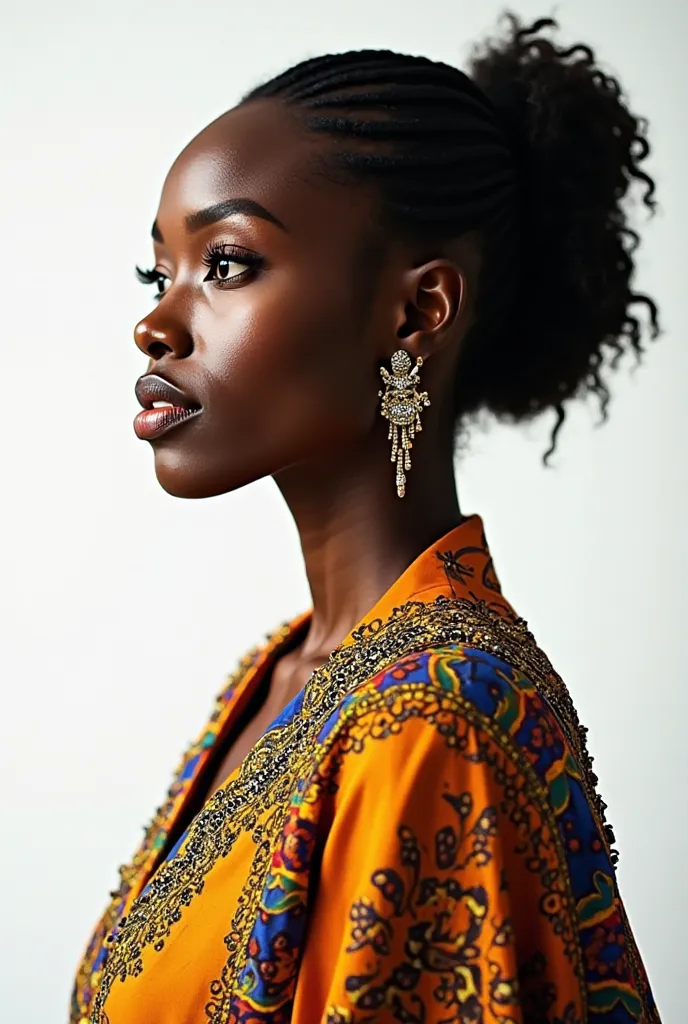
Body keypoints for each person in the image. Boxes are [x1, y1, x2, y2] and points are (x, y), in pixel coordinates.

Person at [70, 12, 662, 1024]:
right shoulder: (280, 670)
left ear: (416, 312)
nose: (155, 321)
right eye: (155, 270)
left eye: (226, 263)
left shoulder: (435, 709)